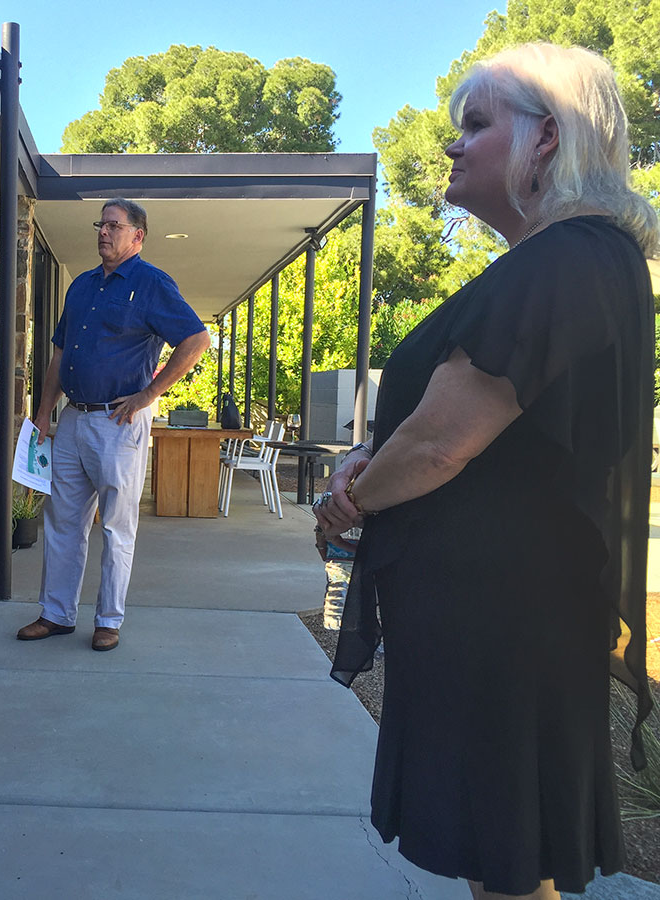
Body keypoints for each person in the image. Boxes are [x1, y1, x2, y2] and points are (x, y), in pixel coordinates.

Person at [314, 43, 658, 900]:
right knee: (503, 859)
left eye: (477, 124)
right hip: (511, 613)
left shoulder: (567, 261)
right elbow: (474, 430)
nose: (453, 145)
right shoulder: (576, 263)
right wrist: (375, 453)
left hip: (503, 620)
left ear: (546, 139)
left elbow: (443, 444)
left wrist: (348, 499)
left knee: (505, 860)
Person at [18, 198, 210, 651]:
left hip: (118, 423)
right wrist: (44, 412)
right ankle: (56, 614)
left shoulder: (151, 283)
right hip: (71, 421)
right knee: (62, 521)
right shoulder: (82, 286)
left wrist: (148, 396)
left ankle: (108, 619)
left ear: (137, 236)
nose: (103, 232)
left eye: (113, 225)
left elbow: (197, 339)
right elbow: (60, 354)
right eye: (100, 224)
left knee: (116, 527)